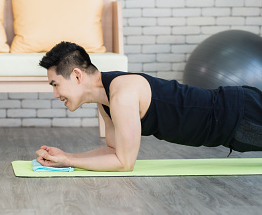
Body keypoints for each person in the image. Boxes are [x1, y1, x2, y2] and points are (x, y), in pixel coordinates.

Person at [35, 41, 262, 172]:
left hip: (239, 115)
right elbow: (114, 152)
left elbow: (124, 163)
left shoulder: (122, 94)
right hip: (233, 125)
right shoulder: (106, 102)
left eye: (56, 84)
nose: (55, 94)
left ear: (76, 75)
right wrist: (67, 156)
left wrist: (69, 162)